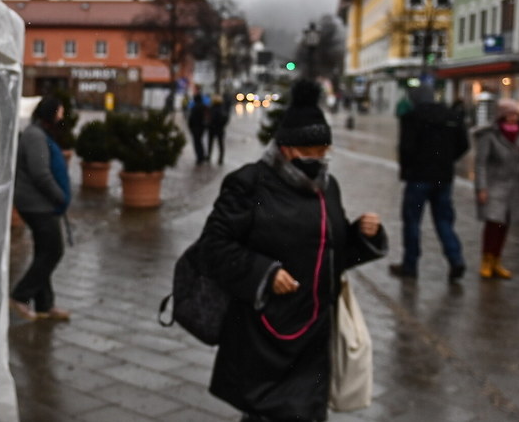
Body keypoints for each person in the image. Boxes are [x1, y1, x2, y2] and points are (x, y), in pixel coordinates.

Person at [200, 80, 386, 422]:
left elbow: (334, 253)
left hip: (315, 333)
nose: (319, 159)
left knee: (305, 412)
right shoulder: (250, 184)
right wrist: (264, 273)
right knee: (266, 412)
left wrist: (361, 235)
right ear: (286, 149)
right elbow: (215, 246)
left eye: (323, 150)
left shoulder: (328, 188)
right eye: (311, 151)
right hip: (264, 334)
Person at [389, 86, 469, 282]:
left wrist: (408, 169)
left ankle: (410, 265)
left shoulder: (412, 117)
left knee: (413, 221)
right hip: (443, 178)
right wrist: (447, 160)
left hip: (418, 178)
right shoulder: (451, 116)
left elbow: (406, 148)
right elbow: (464, 145)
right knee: (444, 220)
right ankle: (455, 258)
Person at [10, 95, 72, 321]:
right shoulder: (35, 136)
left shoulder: (37, 133)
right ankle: (20, 295)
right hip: (37, 206)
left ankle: (45, 305)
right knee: (54, 251)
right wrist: (60, 197)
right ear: (50, 113)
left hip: (39, 204)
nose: (62, 116)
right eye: (59, 111)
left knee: (43, 252)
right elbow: (40, 173)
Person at [472, 99, 519, 279]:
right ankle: (486, 259)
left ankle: (497, 260)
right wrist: (482, 187)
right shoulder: (490, 134)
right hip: (494, 183)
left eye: (516, 114)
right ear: (502, 115)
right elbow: (481, 163)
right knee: (493, 223)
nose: (513, 118)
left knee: (504, 224)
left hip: (513, 185)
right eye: (510, 114)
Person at [188, 85, 210, 164]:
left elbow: (191, 119)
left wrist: (190, 127)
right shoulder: (204, 107)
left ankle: (199, 157)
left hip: (196, 127)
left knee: (197, 142)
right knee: (200, 142)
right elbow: (207, 117)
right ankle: (202, 155)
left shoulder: (194, 108)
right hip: (202, 127)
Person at [207, 94, 229, 165]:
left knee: (212, 143)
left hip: (213, 129)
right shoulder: (222, 108)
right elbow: (226, 118)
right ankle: (220, 158)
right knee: (220, 144)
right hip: (219, 129)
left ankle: (210, 156)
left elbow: (209, 118)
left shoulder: (212, 108)